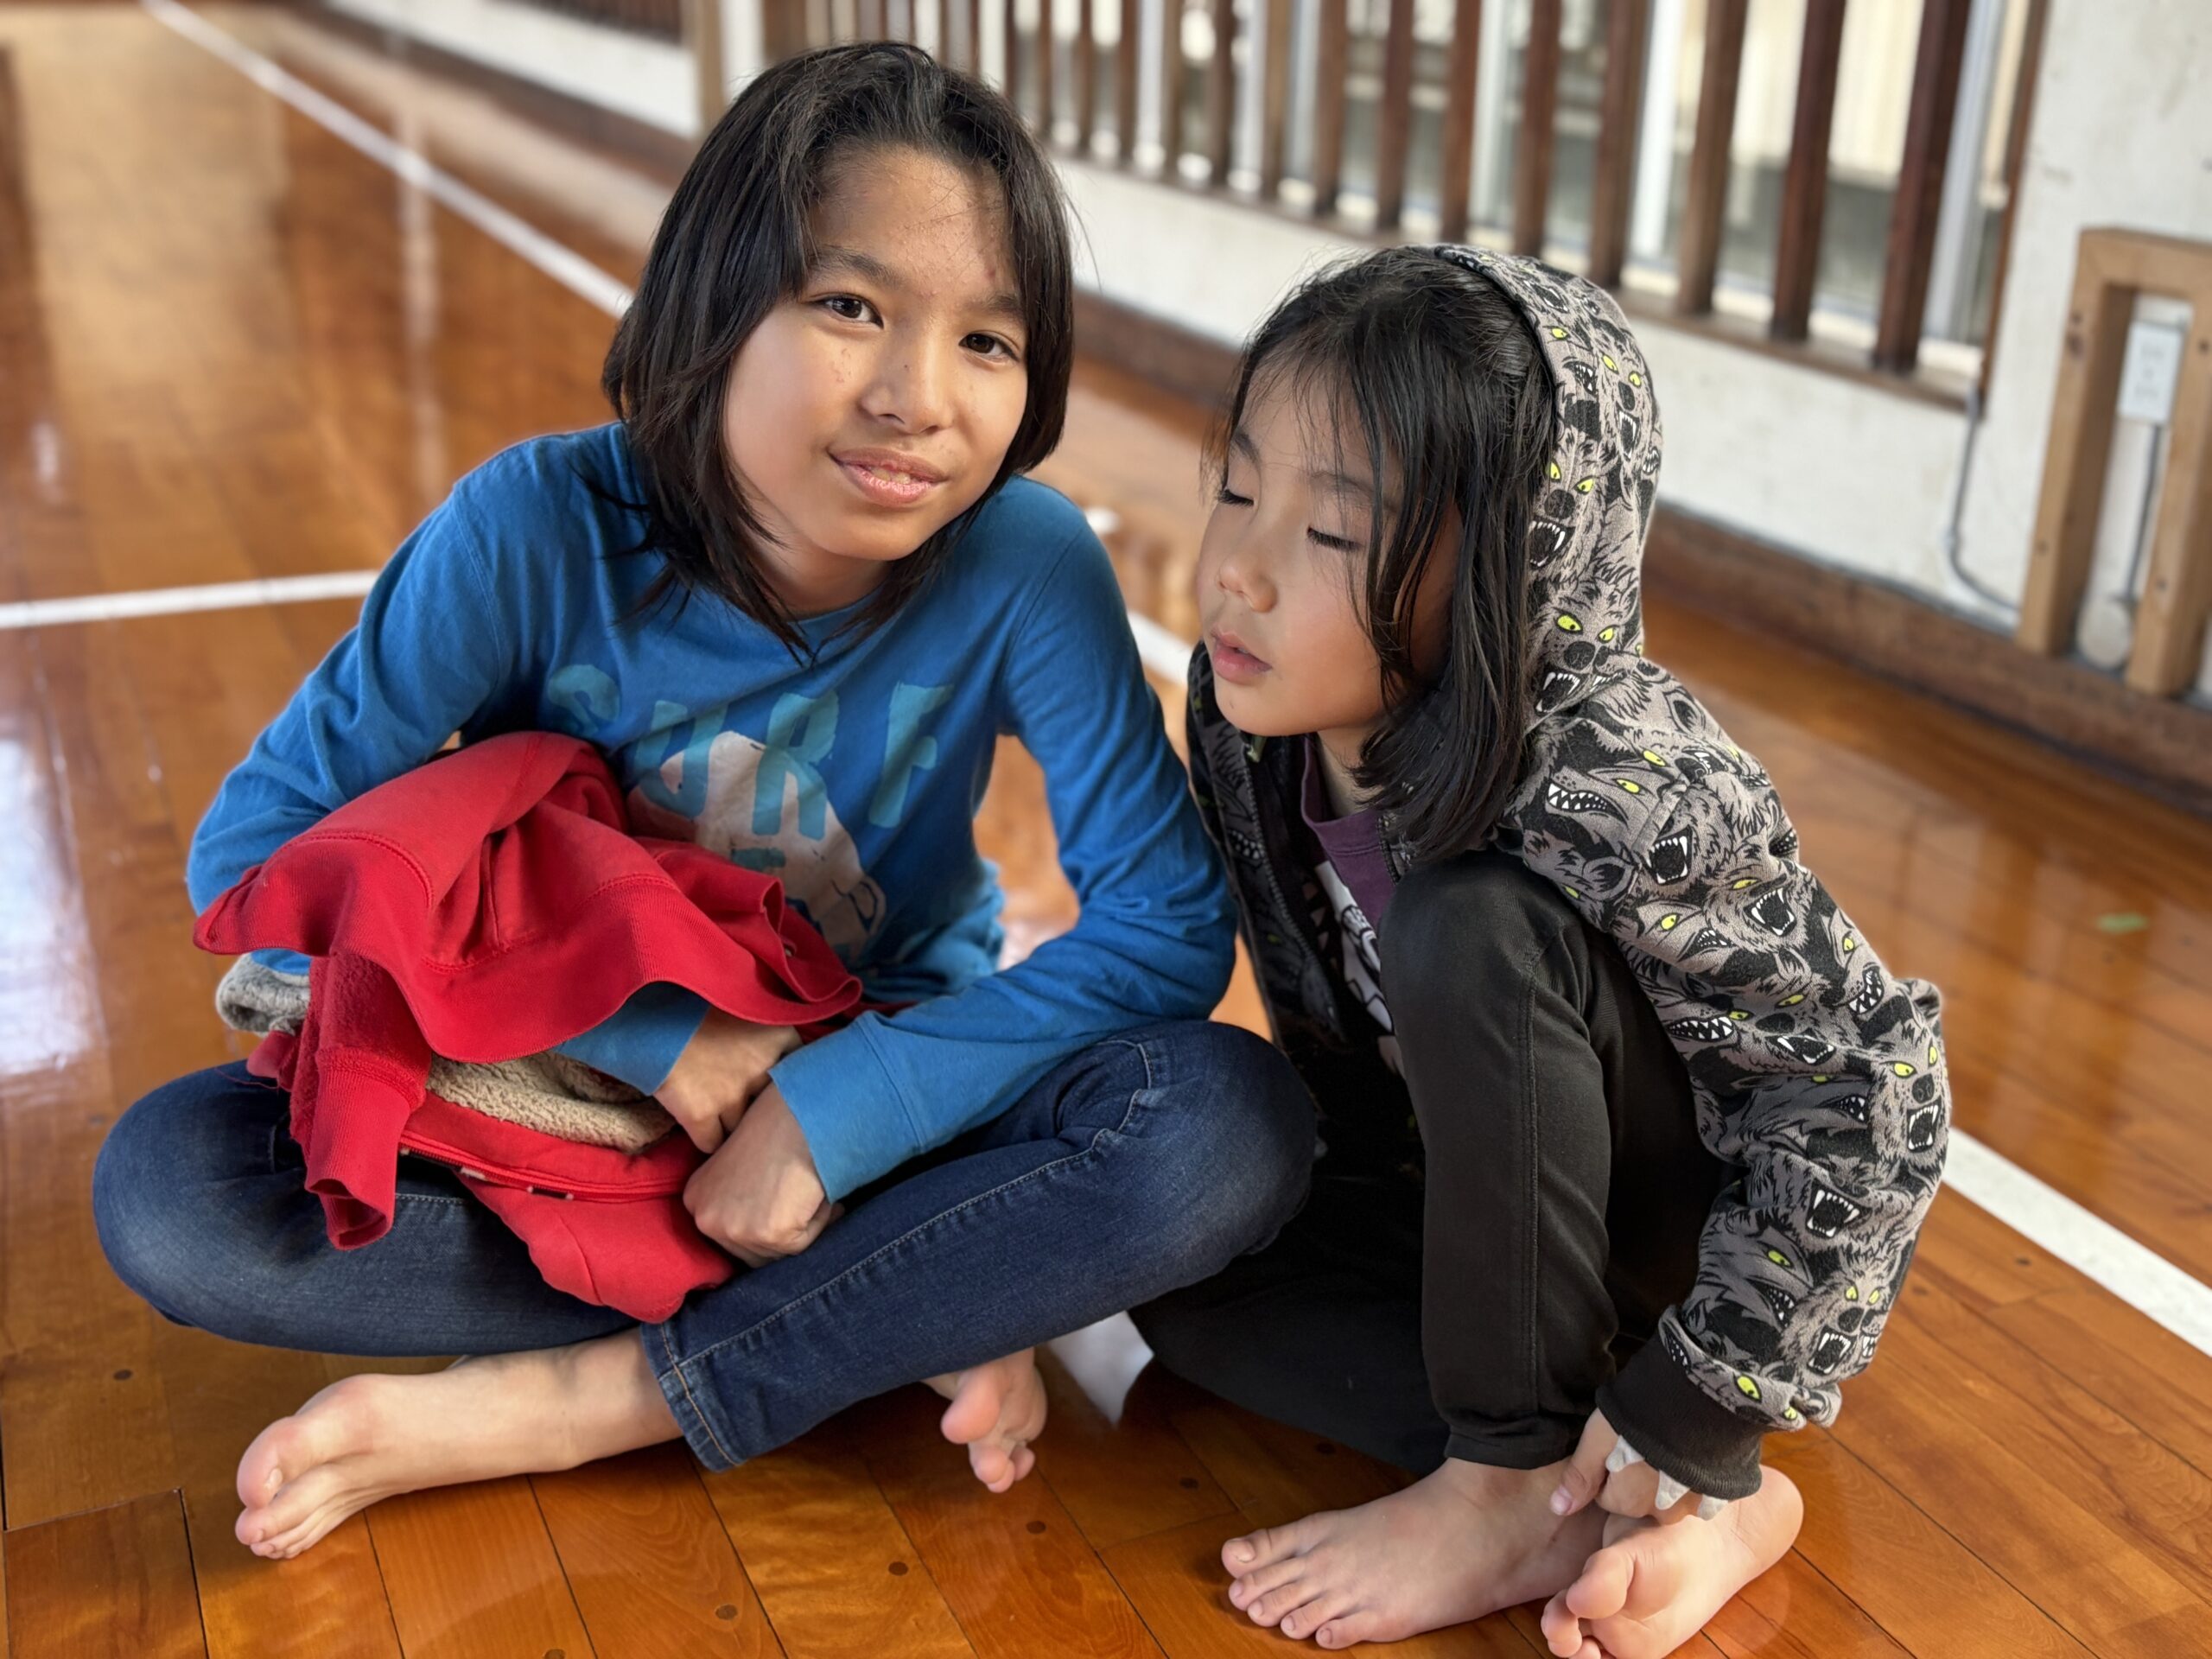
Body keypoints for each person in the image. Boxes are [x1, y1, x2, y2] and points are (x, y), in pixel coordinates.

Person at [91, 42, 1313, 1562]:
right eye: (851, 306)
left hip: (888, 1090)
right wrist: (656, 1037)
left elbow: (1166, 929)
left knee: (1226, 1127)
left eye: (989, 340)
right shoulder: (533, 528)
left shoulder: (1022, 559)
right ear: (714, 301)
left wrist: (831, 1110)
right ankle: (907, 1302)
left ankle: (594, 1400)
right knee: (176, 1194)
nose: (918, 399)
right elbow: (253, 858)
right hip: (565, 1093)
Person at [1134, 245, 1948, 1656]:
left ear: (1513, 568)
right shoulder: (1247, 716)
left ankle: (1518, 1479)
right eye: (1240, 490)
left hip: (1659, 1260)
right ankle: (1628, 1503)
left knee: (1470, 926)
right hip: (1479, 1228)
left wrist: (1708, 1397)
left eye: (1333, 535)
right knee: (1175, 1262)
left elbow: (1875, 1086)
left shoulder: (1621, 784)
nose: (1238, 573)